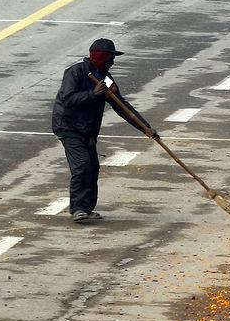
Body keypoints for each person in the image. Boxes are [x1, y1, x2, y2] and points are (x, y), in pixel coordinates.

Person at [51, 39, 156, 224]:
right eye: (110, 58)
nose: (112, 62)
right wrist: (93, 94)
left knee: (93, 167)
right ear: (99, 57)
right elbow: (68, 99)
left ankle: (87, 208)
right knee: (82, 165)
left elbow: (121, 106)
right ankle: (77, 209)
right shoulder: (75, 72)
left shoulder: (106, 78)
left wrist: (144, 127)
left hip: (88, 129)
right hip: (68, 127)